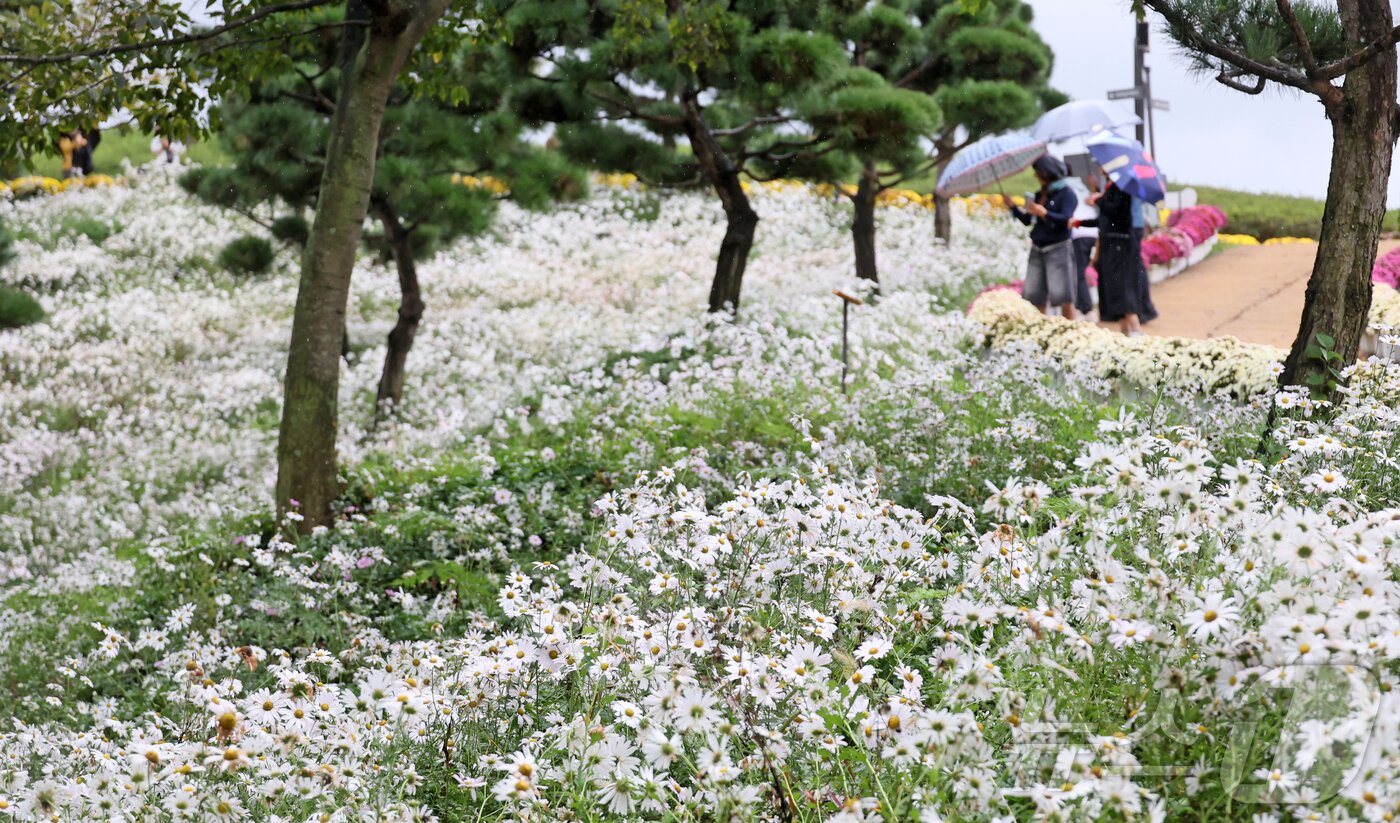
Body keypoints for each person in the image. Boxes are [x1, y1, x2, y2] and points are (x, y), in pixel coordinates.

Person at [1073, 178, 1156, 336]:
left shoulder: (1122, 186)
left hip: (1121, 244)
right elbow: (1105, 220)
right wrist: (1080, 222)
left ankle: (1135, 328)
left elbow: (1117, 212)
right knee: (1115, 289)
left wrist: (1098, 200)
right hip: (1111, 242)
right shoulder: (1112, 186)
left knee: (1123, 287)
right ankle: (1126, 330)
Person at [1007, 155, 1079, 319]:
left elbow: (1066, 219)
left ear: (1047, 172)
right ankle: (1041, 330)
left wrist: (1044, 212)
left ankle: (1072, 331)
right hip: (1037, 248)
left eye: (1038, 172)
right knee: (1034, 295)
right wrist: (1013, 206)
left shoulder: (1067, 193)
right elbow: (1028, 220)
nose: (1036, 176)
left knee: (1063, 296)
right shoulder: (1039, 195)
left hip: (1058, 248)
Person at [1068, 173, 1099, 317]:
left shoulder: (1066, 188)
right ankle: (1086, 306)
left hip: (1080, 234)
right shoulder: (1081, 187)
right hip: (1093, 233)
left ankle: (1086, 308)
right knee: (1084, 269)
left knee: (1079, 272)